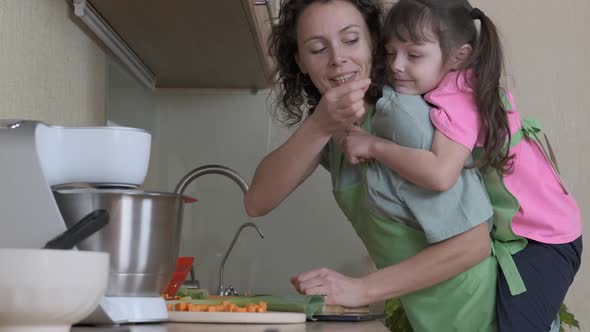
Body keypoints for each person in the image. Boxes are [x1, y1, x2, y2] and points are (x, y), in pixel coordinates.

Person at [245, 0, 499, 331]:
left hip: (488, 321)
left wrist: (358, 288)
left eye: (351, 40)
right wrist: (320, 125)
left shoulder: (405, 118)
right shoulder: (334, 129)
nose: (338, 58)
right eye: (318, 48)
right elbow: (257, 200)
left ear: (374, 44)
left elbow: (473, 244)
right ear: (300, 62)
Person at [337, 0, 583, 331]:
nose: (395, 65)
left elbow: (440, 174)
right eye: (390, 51)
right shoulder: (471, 82)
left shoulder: (457, 99)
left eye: (414, 55)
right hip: (545, 229)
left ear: (458, 56)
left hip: (546, 241)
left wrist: (374, 145)